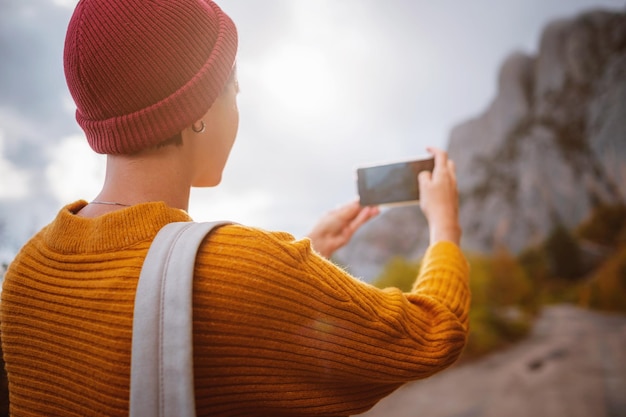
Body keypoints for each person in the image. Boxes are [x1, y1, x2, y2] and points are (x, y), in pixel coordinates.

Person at [0, 1, 470, 416]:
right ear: (199, 107)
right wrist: (444, 225)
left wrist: (312, 253)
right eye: (235, 90)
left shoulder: (25, 275)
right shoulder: (241, 269)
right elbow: (431, 334)